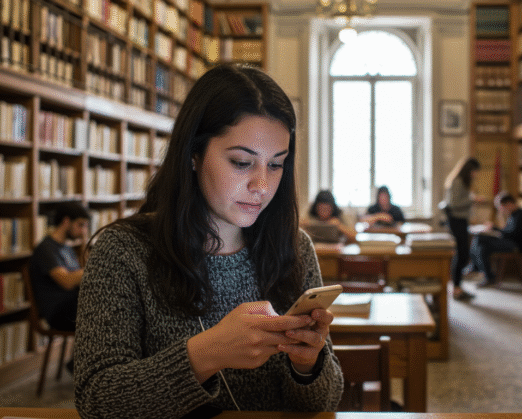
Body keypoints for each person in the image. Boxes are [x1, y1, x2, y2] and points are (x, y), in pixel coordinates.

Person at [74, 64, 343, 418]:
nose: (262, 185)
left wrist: (308, 367)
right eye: (242, 162)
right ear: (193, 154)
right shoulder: (124, 252)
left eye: (276, 165)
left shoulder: (294, 248)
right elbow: (97, 401)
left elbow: (323, 404)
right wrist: (205, 355)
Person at [29, 201, 90, 332]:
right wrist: (95, 269)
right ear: (66, 221)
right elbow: (67, 281)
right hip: (59, 312)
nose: (83, 231)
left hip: (73, 305)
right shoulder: (46, 249)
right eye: (80, 225)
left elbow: (79, 278)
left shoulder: (67, 248)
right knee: (106, 318)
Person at [469, 192, 522, 288]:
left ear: (509, 204)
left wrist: (494, 229)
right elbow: (507, 232)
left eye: (501, 207)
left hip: (515, 246)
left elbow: (513, 235)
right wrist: (495, 231)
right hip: (508, 242)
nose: (500, 210)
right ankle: (486, 275)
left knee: (480, 239)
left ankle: (476, 268)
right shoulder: (513, 215)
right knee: (481, 245)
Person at [442, 157, 481, 301]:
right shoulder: (458, 181)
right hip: (456, 221)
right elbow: (453, 203)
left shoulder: (461, 181)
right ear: (469, 170)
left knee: (463, 253)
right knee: (461, 254)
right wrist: (473, 200)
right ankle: (456, 288)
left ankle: (457, 287)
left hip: (461, 220)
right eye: (475, 171)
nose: (475, 175)